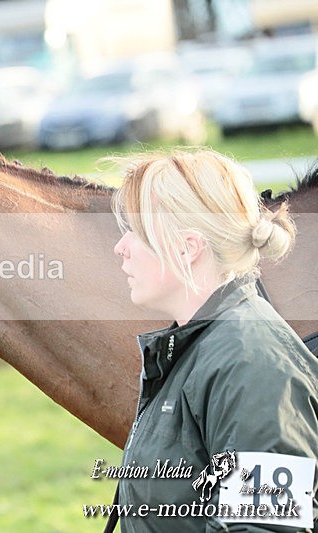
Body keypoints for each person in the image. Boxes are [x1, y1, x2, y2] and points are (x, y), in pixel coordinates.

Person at [108, 148, 318, 532]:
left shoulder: (253, 364)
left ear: (188, 248)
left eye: (135, 232)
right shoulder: (197, 348)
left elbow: (265, 528)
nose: (120, 248)